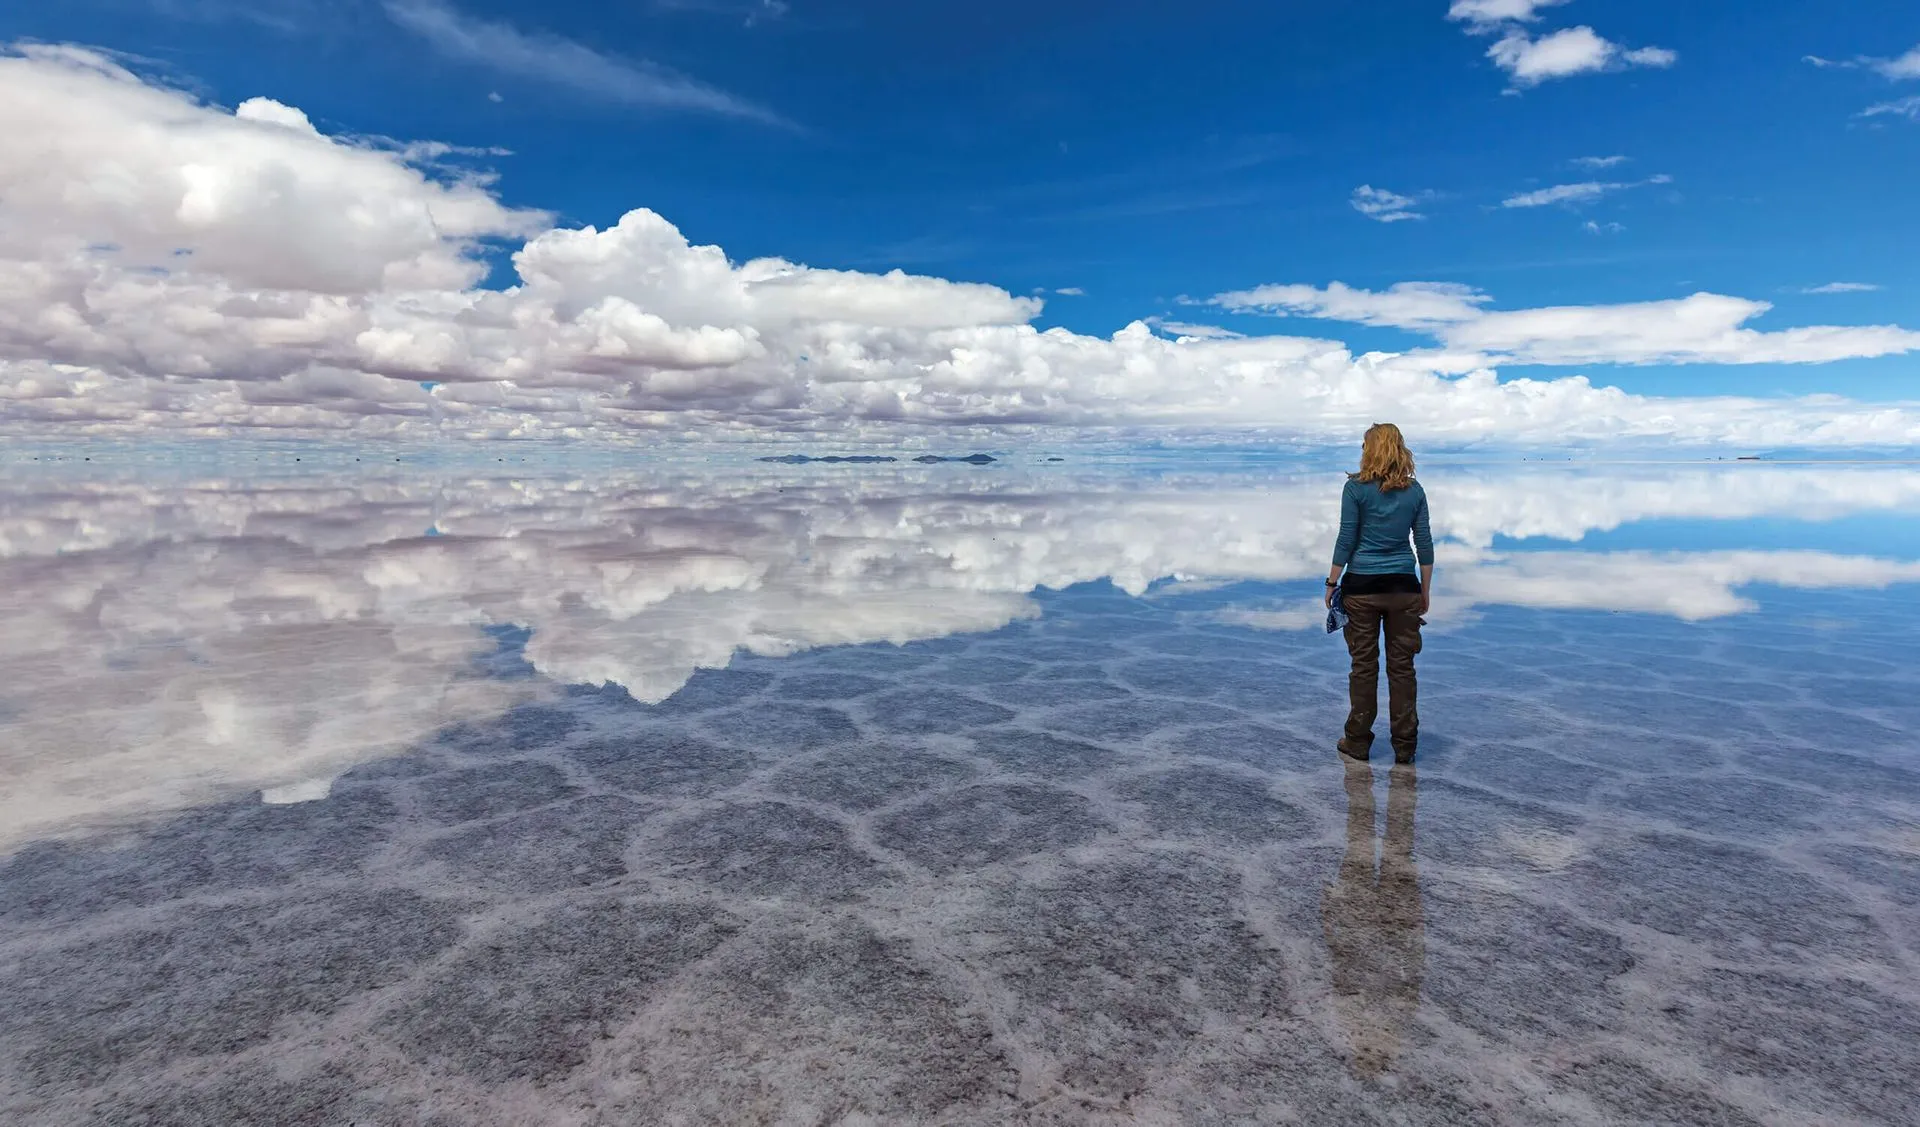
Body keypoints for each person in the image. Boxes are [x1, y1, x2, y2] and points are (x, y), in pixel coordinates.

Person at [1324, 423, 1434, 763]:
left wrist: (1331, 583)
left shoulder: (1355, 489)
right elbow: (1425, 545)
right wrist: (1424, 592)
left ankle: (1357, 741)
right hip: (1404, 589)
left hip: (1362, 590)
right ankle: (1405, 747)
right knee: (1402, 670)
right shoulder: (1414, 491)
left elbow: (1347, 538)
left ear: (1369, 450)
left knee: (1363, 667)